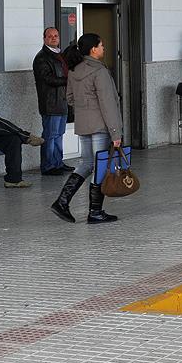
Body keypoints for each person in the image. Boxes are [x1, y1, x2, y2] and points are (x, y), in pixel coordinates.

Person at [50, 33, 123, 223]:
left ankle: (62, 202)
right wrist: (116, 132)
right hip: (100, 125)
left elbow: (71, 98)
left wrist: (85, 109)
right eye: (101, 45)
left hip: (83, 124)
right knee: (99, 166)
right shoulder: (99, 72)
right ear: (93, 49)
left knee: (87, 163)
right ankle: (95, 212)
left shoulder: (74, 71)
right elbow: (108, 104)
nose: (103, 48)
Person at [33, 27, 72, 176]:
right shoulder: (42, 57)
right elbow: (48, 79)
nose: (54, 38)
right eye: (50, 36)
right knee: (50, 135)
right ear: (44, 39)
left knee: (59, 134)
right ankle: (49, 166)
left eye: (56, 35)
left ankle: (58, 163)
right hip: (50, 103)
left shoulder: (59, 55)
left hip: (61, 101)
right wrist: (69, 80)